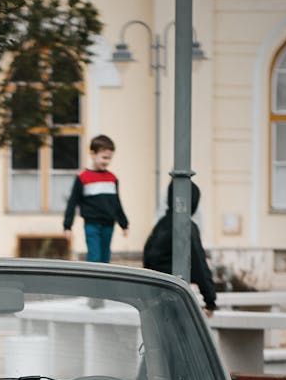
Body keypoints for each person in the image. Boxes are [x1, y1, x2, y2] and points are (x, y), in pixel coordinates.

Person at [143, 180, 218, 316]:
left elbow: (148, 256)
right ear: (193, 202)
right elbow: (199, 264)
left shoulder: (161, 224)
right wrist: (210, 300)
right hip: (173, 294)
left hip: (154, 294)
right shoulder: (186, 226)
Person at [63, 134, 129, 264]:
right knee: (94, 257)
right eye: (104, 157)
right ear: (93, 154)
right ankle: (91, 283)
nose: (107, 161)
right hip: (92, 224)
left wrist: (124, 223)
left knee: (105, 258)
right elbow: (72, 202)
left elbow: (116, 203)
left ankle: (104, 284)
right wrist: (67, 226)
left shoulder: (112, 179)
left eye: (110, 158)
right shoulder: (83, 177)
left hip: (109, 224)